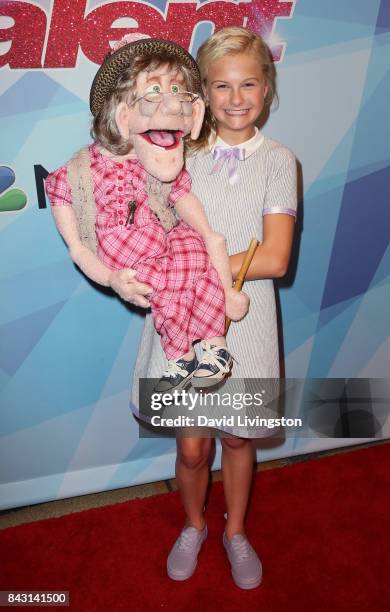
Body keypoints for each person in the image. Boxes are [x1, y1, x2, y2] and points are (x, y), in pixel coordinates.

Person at [131, 27, 297, 589]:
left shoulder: (279, 161)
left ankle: (236, 531)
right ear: (201, 92)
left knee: (237, 438)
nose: (234, 98)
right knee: (194, 445)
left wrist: (194, 264)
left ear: (266, 87)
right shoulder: (175, 154)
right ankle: (195, 523)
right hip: (183, 323)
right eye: (220, 85)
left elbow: (274, 258)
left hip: (245, 319)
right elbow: (147, 231)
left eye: (248, 83)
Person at [45, 34, 248, 393]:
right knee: (165, 290)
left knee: (195, 259)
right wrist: (110, 279)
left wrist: (218, 263)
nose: (170, 106)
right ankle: (181, 357)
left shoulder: (156, 166)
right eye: (153, 91)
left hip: (173, 248)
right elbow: (78, 249)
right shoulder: (72, 177)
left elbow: (203, 228)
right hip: (139, 268)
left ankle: (214, 348)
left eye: (177, 91)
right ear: (119, 109)